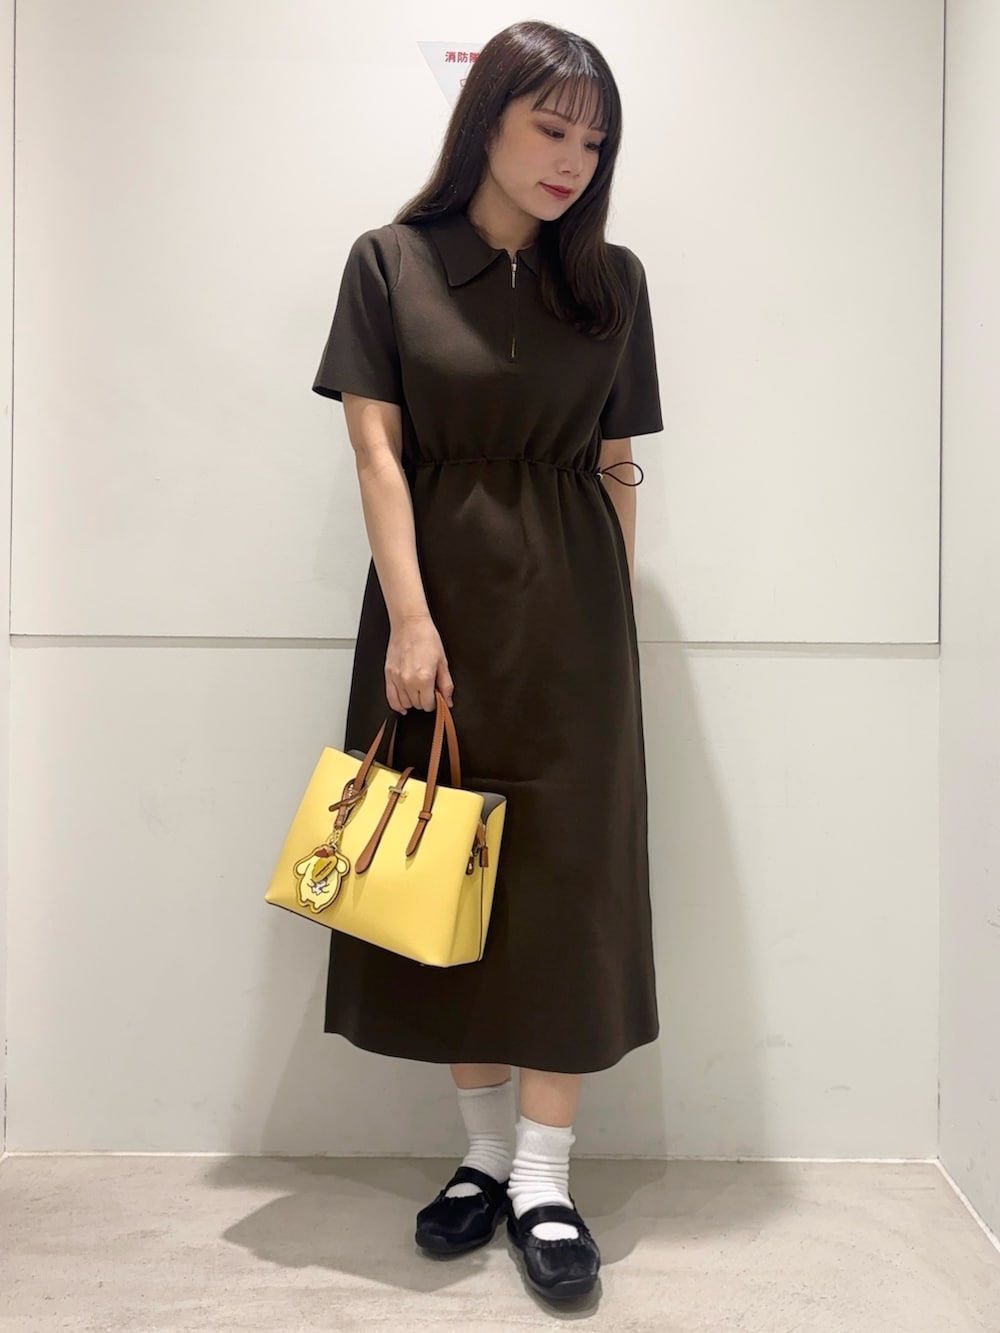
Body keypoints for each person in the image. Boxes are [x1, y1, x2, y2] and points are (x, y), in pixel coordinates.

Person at [311, 19, 663, 1304]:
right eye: (549, 129)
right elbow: (375, 453)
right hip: (436, 617)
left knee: (565, 885)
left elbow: (617, 462)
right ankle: (479, 1159)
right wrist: (411, 619)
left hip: (575, 623)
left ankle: (545, 1177)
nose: (573, 160)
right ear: (487, 123)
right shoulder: (390, 261)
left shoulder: (612, 282)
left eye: (594, 142)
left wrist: (610, 619)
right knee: (441, 870)